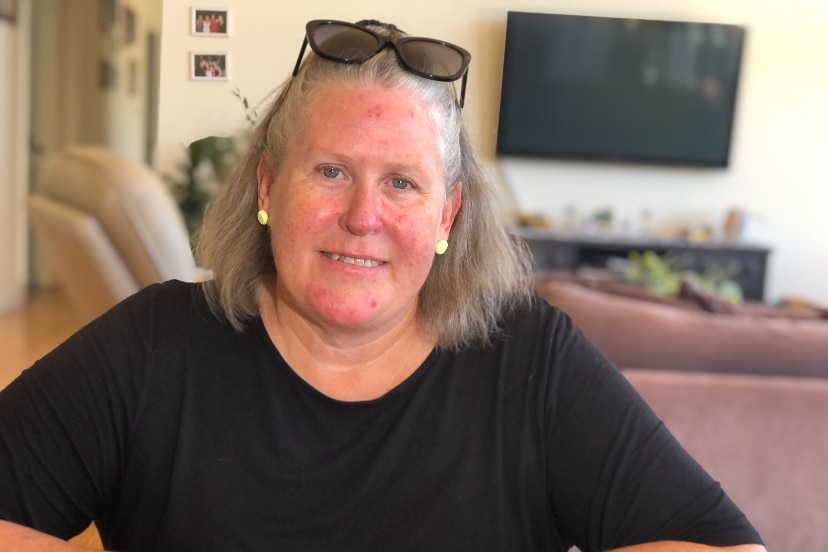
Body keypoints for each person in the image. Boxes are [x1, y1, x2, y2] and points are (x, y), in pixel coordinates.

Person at [0, 18, 766, 552]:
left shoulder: (533, 361)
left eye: (402, 183)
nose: (362, 216)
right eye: (330, 171)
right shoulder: (155, 344)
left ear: (449, 213)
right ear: (269, 186)